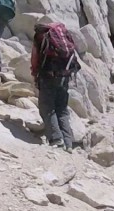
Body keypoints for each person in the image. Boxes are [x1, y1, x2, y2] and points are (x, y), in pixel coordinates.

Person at [31, 22, 80, 151]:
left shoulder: (41, 36)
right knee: (62, 109)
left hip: (48, 75)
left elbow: (35, 58)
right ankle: (68, 143)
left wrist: (35, 74)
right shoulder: (62, 34)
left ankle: (56, 139)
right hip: (65, 76)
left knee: (47, 108)